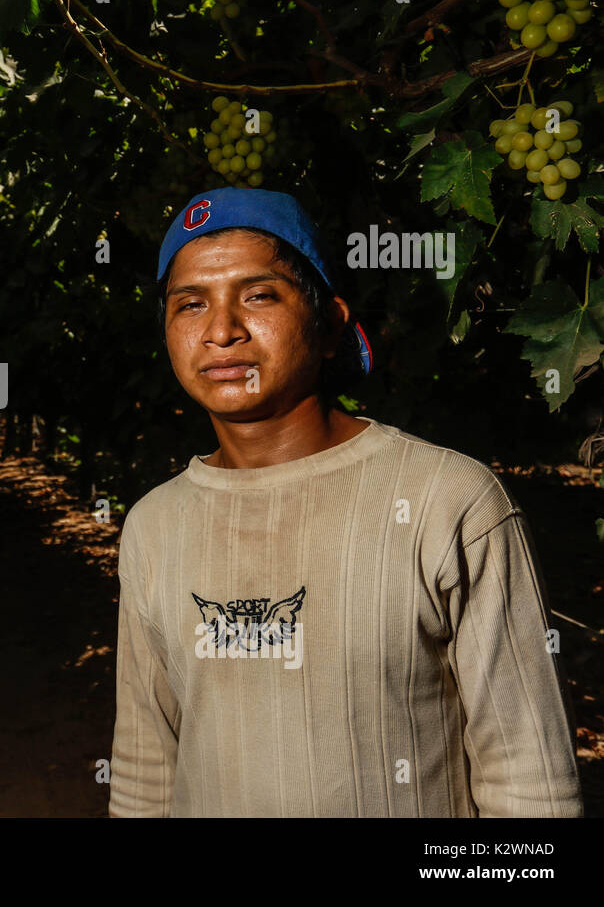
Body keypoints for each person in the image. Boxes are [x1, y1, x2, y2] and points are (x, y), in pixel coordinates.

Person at [108, 186, 583, 817]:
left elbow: (531, 786)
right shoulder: (153, 526)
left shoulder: (448, 500)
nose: (221, 331)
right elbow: (145, 766)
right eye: (190, 304)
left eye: (258, 295)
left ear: (330, 324)